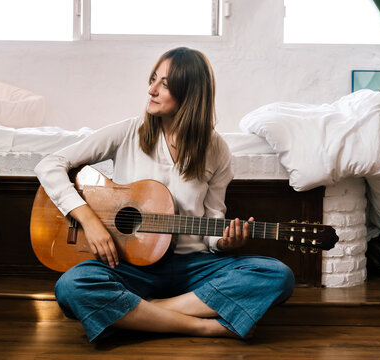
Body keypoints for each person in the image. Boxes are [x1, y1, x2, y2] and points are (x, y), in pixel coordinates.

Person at [34, 47, 294, 342]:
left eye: (165, 84)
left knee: (277, 275)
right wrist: (89, 221)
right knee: (71, 286)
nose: (151, 89)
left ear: (191, 93)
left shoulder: (216, 148)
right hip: (129, 266)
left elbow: (213, 220)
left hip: (193, 268)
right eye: (153, 79)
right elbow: (50, 165)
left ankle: (146, 313)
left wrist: (223, 241)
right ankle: (200, 325)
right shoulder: (128, 132)